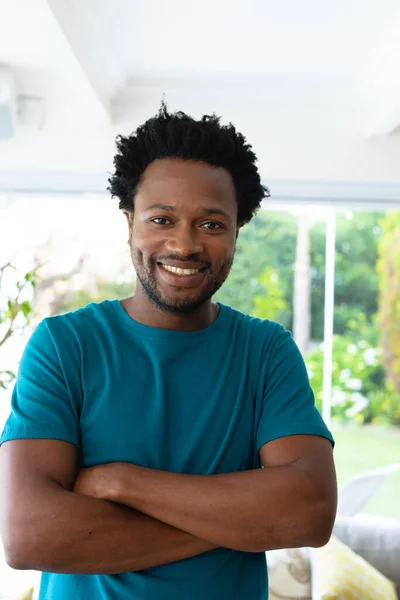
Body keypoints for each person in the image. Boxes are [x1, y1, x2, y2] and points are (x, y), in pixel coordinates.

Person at [0, 104, 337, 600]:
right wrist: (241, 522)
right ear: (129, 222)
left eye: (212, 225)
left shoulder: (266, 351)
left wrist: (123, 483)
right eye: (161, 218)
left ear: (237, 232)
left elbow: (308, 513)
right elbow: (29, 535)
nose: (184, 245)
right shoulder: (64, 346)